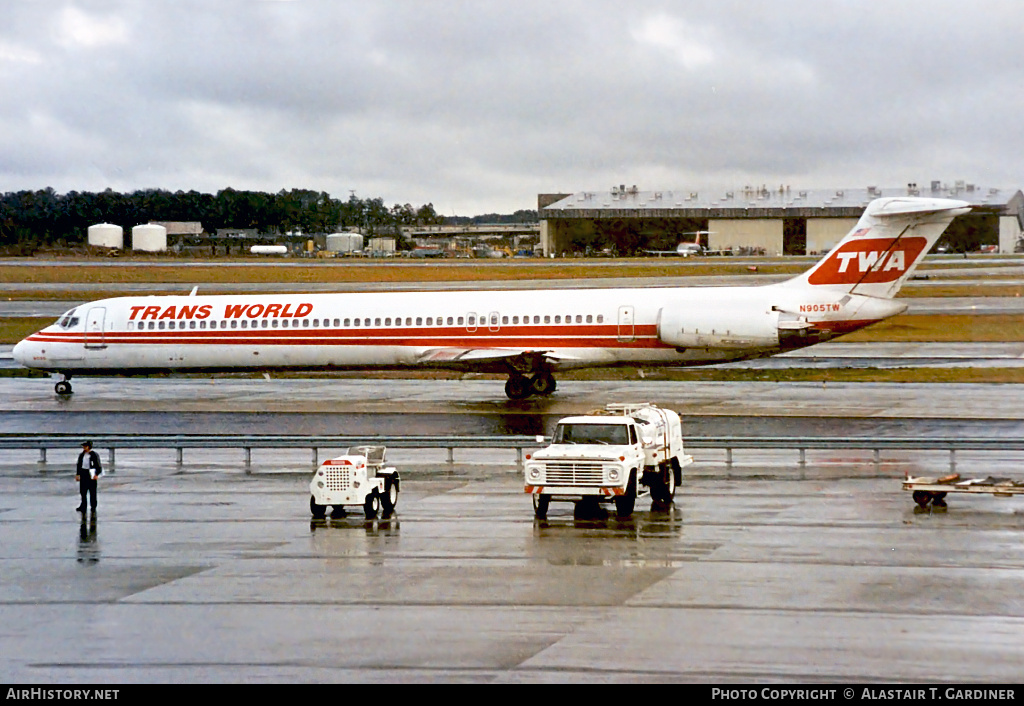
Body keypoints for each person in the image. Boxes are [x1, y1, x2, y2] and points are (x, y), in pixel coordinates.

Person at [75, 441, 102, 512]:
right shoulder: (81, 455)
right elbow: (79, 465)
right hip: (83, 473)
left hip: (91, 473)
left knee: (92, 491)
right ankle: (83, 505)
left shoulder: (93, 455)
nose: (84, 448)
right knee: (83, 491)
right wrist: (78, 474)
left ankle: (93, 506)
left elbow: (98, 465)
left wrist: (97, 474)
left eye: (85, 446)